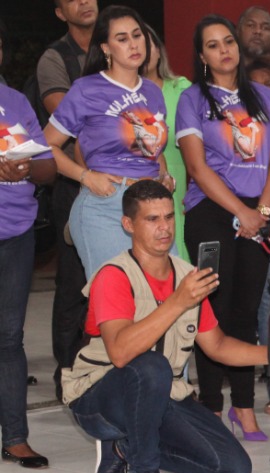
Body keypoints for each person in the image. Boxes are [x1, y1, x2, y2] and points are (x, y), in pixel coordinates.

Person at [60, 180, 270, 473]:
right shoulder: (114, 275)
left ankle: (124, 447)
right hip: (99, 396)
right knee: (150, 366)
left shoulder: (188, 275)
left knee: (233, 472)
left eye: (169, 217)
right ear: (128, 225)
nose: (164, 228)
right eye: (152, 219)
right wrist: (178, 301)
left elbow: (217, 346)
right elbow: (120, 354)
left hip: (163, 391)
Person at [177, 14, 270, 440]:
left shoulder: (264, 96)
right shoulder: (192, 99)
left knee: (245, 311)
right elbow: (197, 167)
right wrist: (241, 212)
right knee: (213, 312)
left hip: (257, 212)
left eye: (229, 42)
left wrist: (260, 208)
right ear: (202, 56)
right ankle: (211, 405)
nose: (224, 50)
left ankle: (244, 407)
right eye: (213, 45)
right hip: (210, 211)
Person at [44, 5, 175, 282]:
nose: (134, 44)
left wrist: (164, 177)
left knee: (163, 298)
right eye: (122, 38)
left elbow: (155, 152)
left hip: (152, 207)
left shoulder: (152, 91)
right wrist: (86, 177)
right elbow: (46, 146)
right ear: (106, 48)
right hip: (106, 204)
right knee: (116, 302)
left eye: (137, 35)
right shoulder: (86, 89)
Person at [0, 56, 57, 469]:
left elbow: (49, 167)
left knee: (9, 338)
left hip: (16, 234)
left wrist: (26, 167)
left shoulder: (16, 100)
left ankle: (16, 437)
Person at [36, 0, 96, 395]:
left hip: (123, 182)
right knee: (74, 280)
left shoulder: (115, 46)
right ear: (60, 12)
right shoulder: (54, 58)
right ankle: (68, 370)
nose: (85, 1)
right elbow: (70, 116)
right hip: (74, 181)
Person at [139, 21, 191, 261]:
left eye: (148, 44)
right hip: (133, 188)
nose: (142, 50)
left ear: (160, 51)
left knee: (179, 265)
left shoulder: (182, 90)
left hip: (180, 187)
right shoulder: (119, 95)